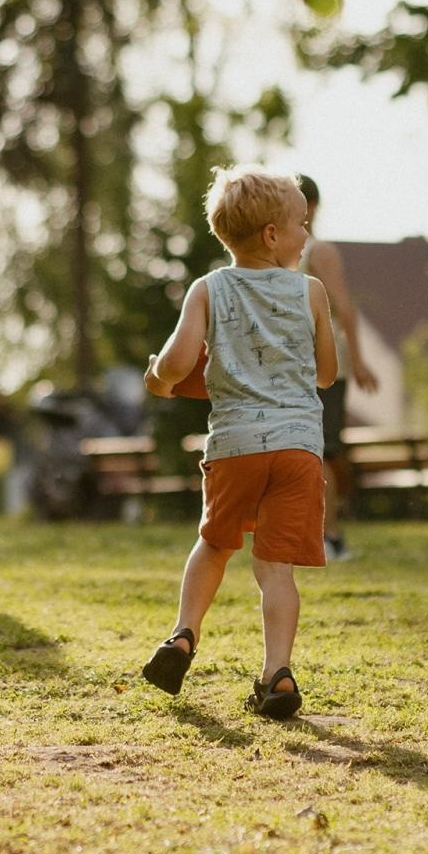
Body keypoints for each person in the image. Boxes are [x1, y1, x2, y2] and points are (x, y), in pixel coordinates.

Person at [139, 166, 338, 720]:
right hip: (298, 448)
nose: (307, 232)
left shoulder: (208, 289)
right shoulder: (311, 291)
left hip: (235, 445)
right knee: (276, 567)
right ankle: (278, 674)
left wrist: (157, 378)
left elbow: (178, 364)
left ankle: (183, 635)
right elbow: (326, 373)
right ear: (273, 234)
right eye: (301, 223)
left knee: (214, 543)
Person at [295, 174, 379, 562]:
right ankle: (307, 533)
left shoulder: (319, 251)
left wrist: (358, 361)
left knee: (323, 451)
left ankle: (332, 537)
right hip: (294, 366)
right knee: (302, 450)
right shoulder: (281, 254)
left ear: (310, 207)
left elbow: (344, 307)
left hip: (324, 366)